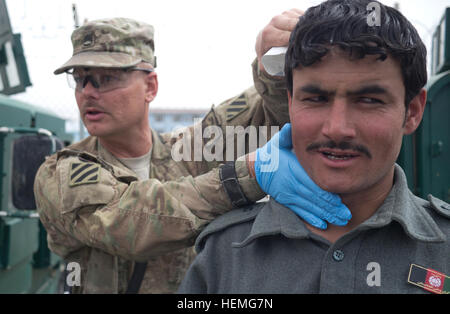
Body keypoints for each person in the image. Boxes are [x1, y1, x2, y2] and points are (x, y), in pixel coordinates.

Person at [33, 12, 350, 294]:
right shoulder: (62, 172)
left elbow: (258, 112)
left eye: (106, 78)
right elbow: (131, 225)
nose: (88, 91)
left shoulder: (185, 152)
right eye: (80, 79)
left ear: (150, 87)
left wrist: (275, 65)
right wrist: (246, 176)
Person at [178, 0, 450, 294]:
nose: (336, 128)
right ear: (291, 103)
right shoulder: (225, 253)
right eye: (316, 99)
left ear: (412, 112)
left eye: (369, 100)